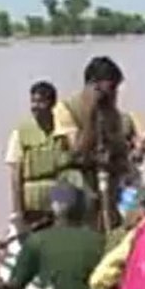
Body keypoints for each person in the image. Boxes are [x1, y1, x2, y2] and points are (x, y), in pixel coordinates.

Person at [55, 56, 138, 233]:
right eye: (112, 88)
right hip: (70, 180)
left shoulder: (111, 111)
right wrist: (91, 116)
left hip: (105, 179)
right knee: (68, 204)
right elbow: (78, 150)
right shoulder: (64, 109)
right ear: (95, 85)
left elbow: (119, 147)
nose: (115, 94)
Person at [5, 80, 81, 233]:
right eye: (33, 101)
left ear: (52, 104)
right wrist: (17, 212)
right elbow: (15, 175)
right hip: (33, 204)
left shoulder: (64, 129)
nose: (35, 106)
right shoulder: (21, 132)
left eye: (40, 102)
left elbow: (75, 164)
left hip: (60, 200)